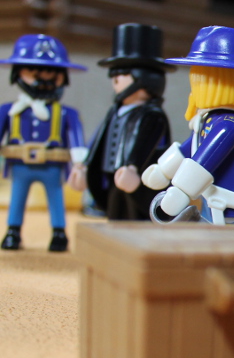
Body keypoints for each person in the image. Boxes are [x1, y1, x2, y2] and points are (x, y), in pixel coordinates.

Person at [141, 26, 234, 226]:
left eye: (199, 81)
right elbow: (191, 148)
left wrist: (181, 191)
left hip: (229, 208)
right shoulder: (212, 120)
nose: (194, 89)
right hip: (214, 202)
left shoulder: (230, 125)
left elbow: (204, 160)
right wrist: (164, 170)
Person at [69, 24, 173, 220]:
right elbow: (99, 140)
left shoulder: (153, 115)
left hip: (139, 181)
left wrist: (133, 168)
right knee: (115, 213)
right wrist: (85, 166)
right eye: (114, 74)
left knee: (136, 217)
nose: (116, 80)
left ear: (145, 79)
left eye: (123, 73)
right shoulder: (115, 112)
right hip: (113, 177)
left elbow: (147, 145)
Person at [0, 34, 86, 251]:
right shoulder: (9, 111)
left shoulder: (67, 113)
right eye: (34, 73)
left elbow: (76, 141)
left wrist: (79, 164)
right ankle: (13, 231)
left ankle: (59, 232)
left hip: (52, 165)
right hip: (20, 165)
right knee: (17, 198)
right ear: (18, 73)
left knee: (56, 198)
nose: (44, 79)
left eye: (53, 74)